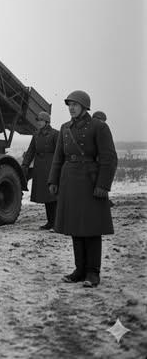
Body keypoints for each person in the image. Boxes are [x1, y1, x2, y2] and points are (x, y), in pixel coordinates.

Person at [48, 90, 117, 288]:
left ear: (85, 107)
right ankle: (79, 270)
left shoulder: (99, 127)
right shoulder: (65, 128)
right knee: (75, 228)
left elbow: (109, 158)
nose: (71, 108)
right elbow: (58, 157)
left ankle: (93, 272)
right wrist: (53, 181)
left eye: (75, 105)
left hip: (90, 181)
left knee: (91, 228)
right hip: (69, 181)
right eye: (69, 105)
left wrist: (103, 185)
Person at [21, 111, 59, 230]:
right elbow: (31, 151)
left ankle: (57, 223)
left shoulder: (55, 134)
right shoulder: (36, 134)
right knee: (46, 197)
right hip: (40, 168)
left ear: (47, 122)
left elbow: (60, 152)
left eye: (41, 120)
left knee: (53, 196)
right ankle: (50, 222)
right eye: (38, 120)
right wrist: (25, 165)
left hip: (51, 167)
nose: (38, 122)